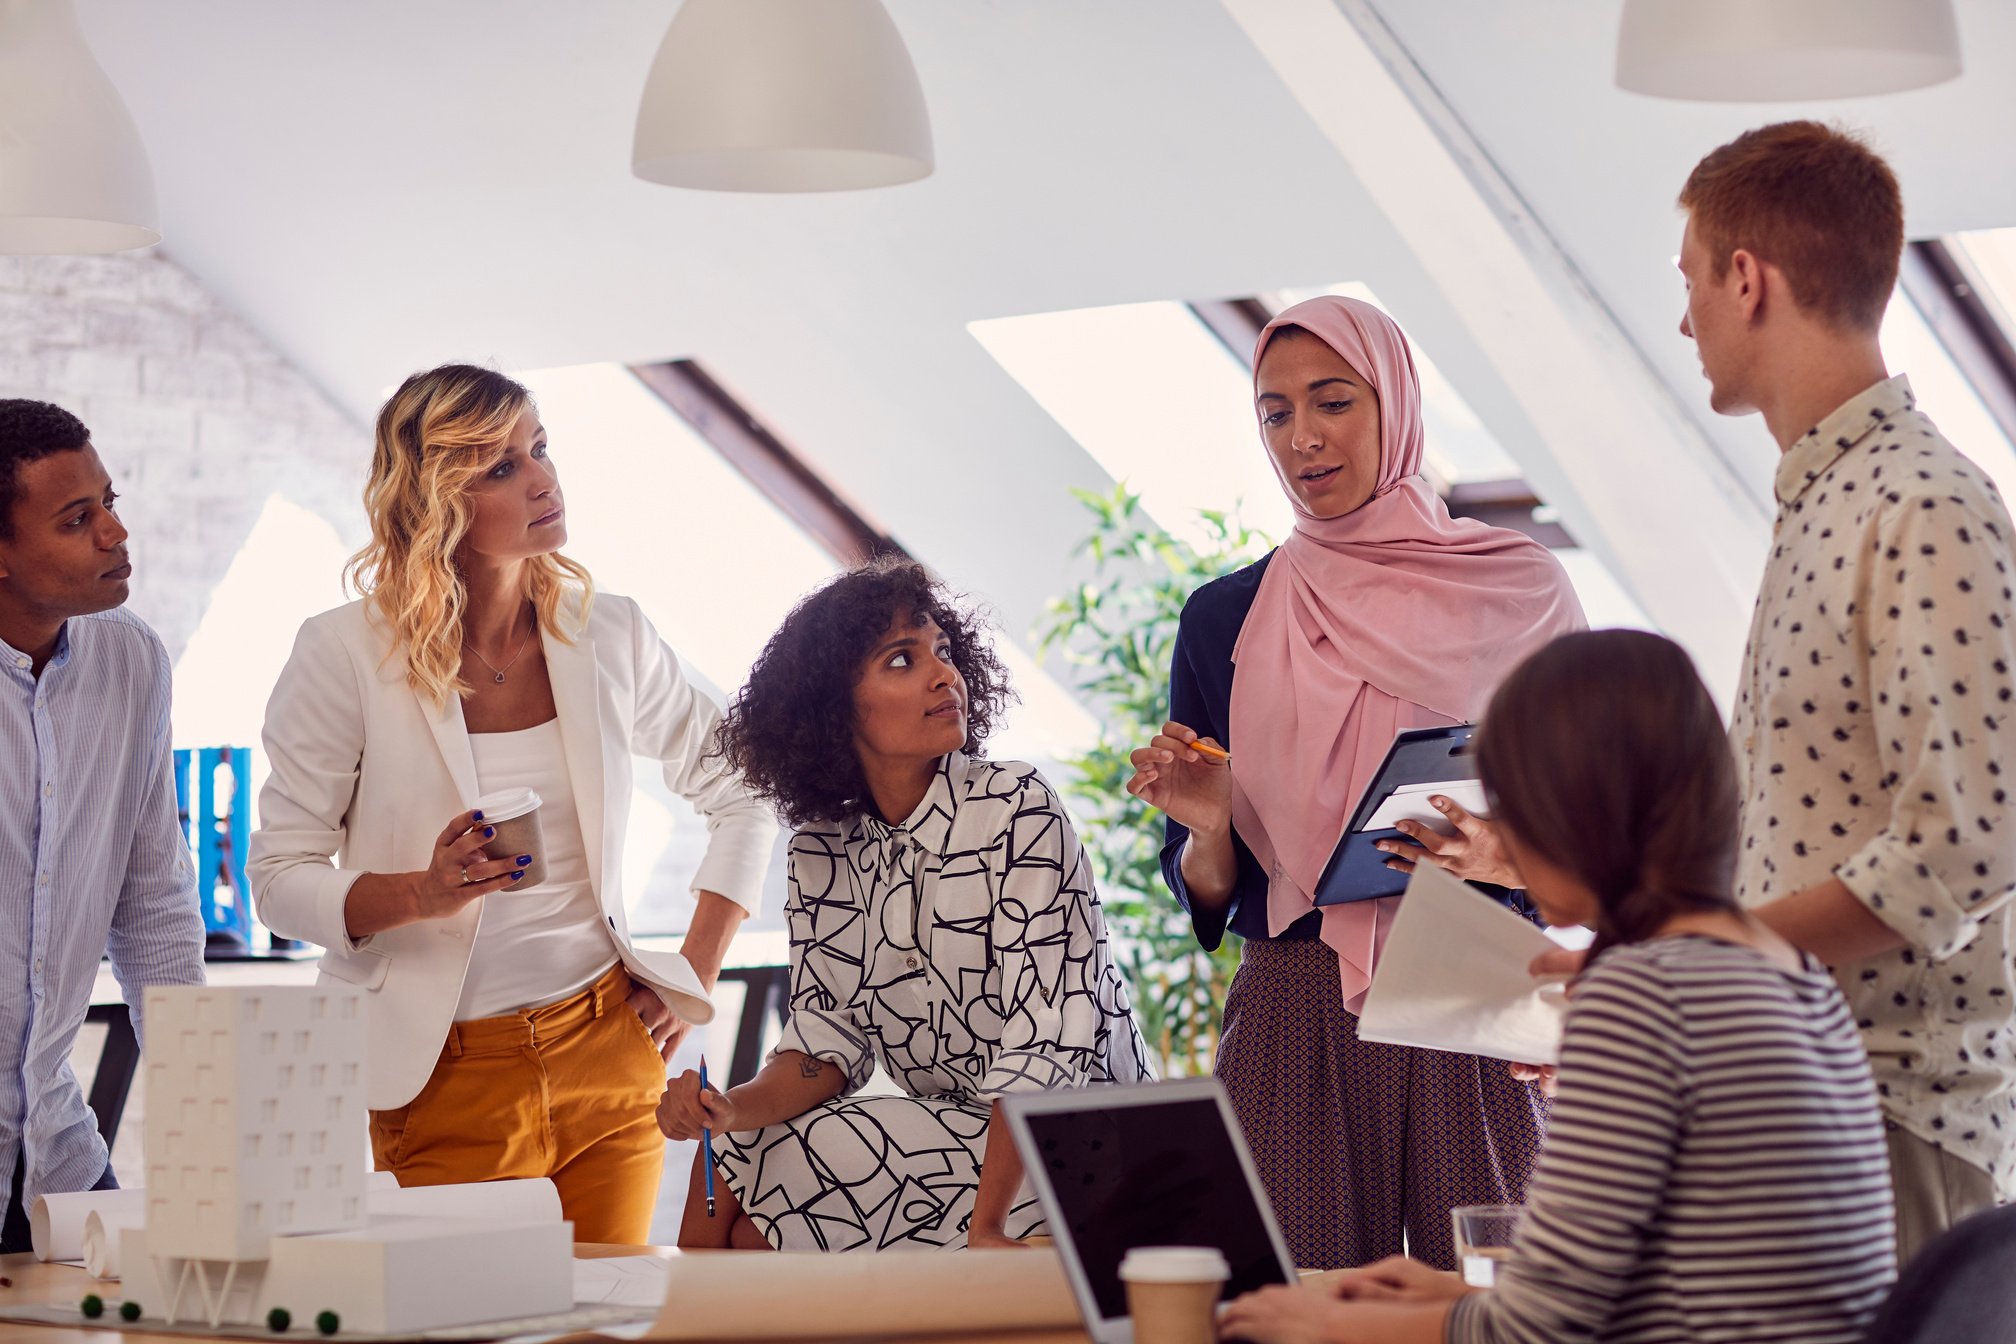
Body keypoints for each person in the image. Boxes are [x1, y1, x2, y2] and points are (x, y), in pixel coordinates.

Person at [1393, 122, 2016, 1261]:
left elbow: (1969, 846)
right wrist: (1531, 866)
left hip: (1894, 1113)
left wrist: (1677, 963)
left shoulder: (1922, 504)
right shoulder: (1822, 503)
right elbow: (1806, 832)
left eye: (1691, 283)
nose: (1683, 322)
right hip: (1807, 1089)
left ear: (1747, 278)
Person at [1220, 629, 1897, 1344]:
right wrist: (1451, 1289)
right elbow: (1656, 1278)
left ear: (1577, 810)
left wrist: (1322, 1322)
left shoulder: (1641, 993)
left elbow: (1539, 1330)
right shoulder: (1786, 969)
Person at [248, 364, 776, 1245]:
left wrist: (691, 976)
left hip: (609, 1049)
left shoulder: (608, 631)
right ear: (433, 502)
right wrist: (423, 891)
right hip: (440, 1072)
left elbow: (744, 787)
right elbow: (276, 877)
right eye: (499, 467)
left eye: (539, 448)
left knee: (604, 1327)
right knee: (459, 1326)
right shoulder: (342, 653)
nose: (542, 478)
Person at [1123, 296, 1584, 1270]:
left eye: (1333, 402)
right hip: (1294, 998)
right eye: (1276, 415)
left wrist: (1507, 850)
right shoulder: (1225, 618)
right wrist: (1207, 830)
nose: (1305, 438)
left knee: (1499, 1302)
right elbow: (1210, 885)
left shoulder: (1520, 590)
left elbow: (1592, 825)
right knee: (1293, 1306)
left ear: (1398, 405)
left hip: (1479, 974)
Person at [657, 558, 1153, 1252]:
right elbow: (824, 1044)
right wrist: (726, 1109)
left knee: (771, 1184)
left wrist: (986, 1230)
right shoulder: (822, 852)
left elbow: (1047, 1045)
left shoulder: (1018, 808)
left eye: (943, 651)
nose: (942, 674)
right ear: (833, 711)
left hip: (1080, 1146)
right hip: (957, 1140)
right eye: (901, 659)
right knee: (743, 1150)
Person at [0, 399, 204, 1252]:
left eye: (109, 502)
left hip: (59, 1158)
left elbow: (153, 901)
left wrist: (203, 1106)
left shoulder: (131, 659)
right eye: (77, 519)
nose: (116, 533)